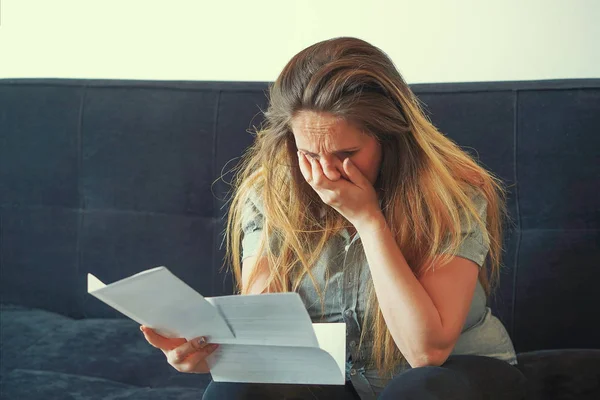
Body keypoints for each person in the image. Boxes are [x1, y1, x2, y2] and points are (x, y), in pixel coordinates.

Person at [141, 36, 527, 399]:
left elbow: (426, 352)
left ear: (389, 137)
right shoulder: (270, 192)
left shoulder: (452, 191)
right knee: (235, 391)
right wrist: (209, 352)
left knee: (420, 389)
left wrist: (369, 220)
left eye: (346, 153)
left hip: (453, 375)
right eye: (308, 154)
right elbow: (265, 328)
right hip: (333, 378)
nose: (326, 172)